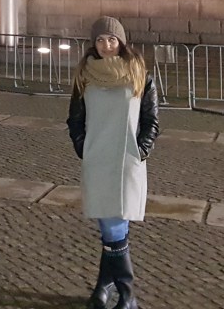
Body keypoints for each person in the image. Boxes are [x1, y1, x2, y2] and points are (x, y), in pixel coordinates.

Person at [66, 16, 160, 309]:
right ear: (93, 44)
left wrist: (141, 150)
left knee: (115, 230)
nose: (106, 45)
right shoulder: (85, 75)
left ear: (121, 42)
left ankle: (121, 294)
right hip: (98, 160)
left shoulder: (139, 74)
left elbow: (151, 120)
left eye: (111, 39)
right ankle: (113, 291)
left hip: (126, 159)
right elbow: (74, 119)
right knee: (112, 230)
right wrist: (84, 149)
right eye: (100, 40)